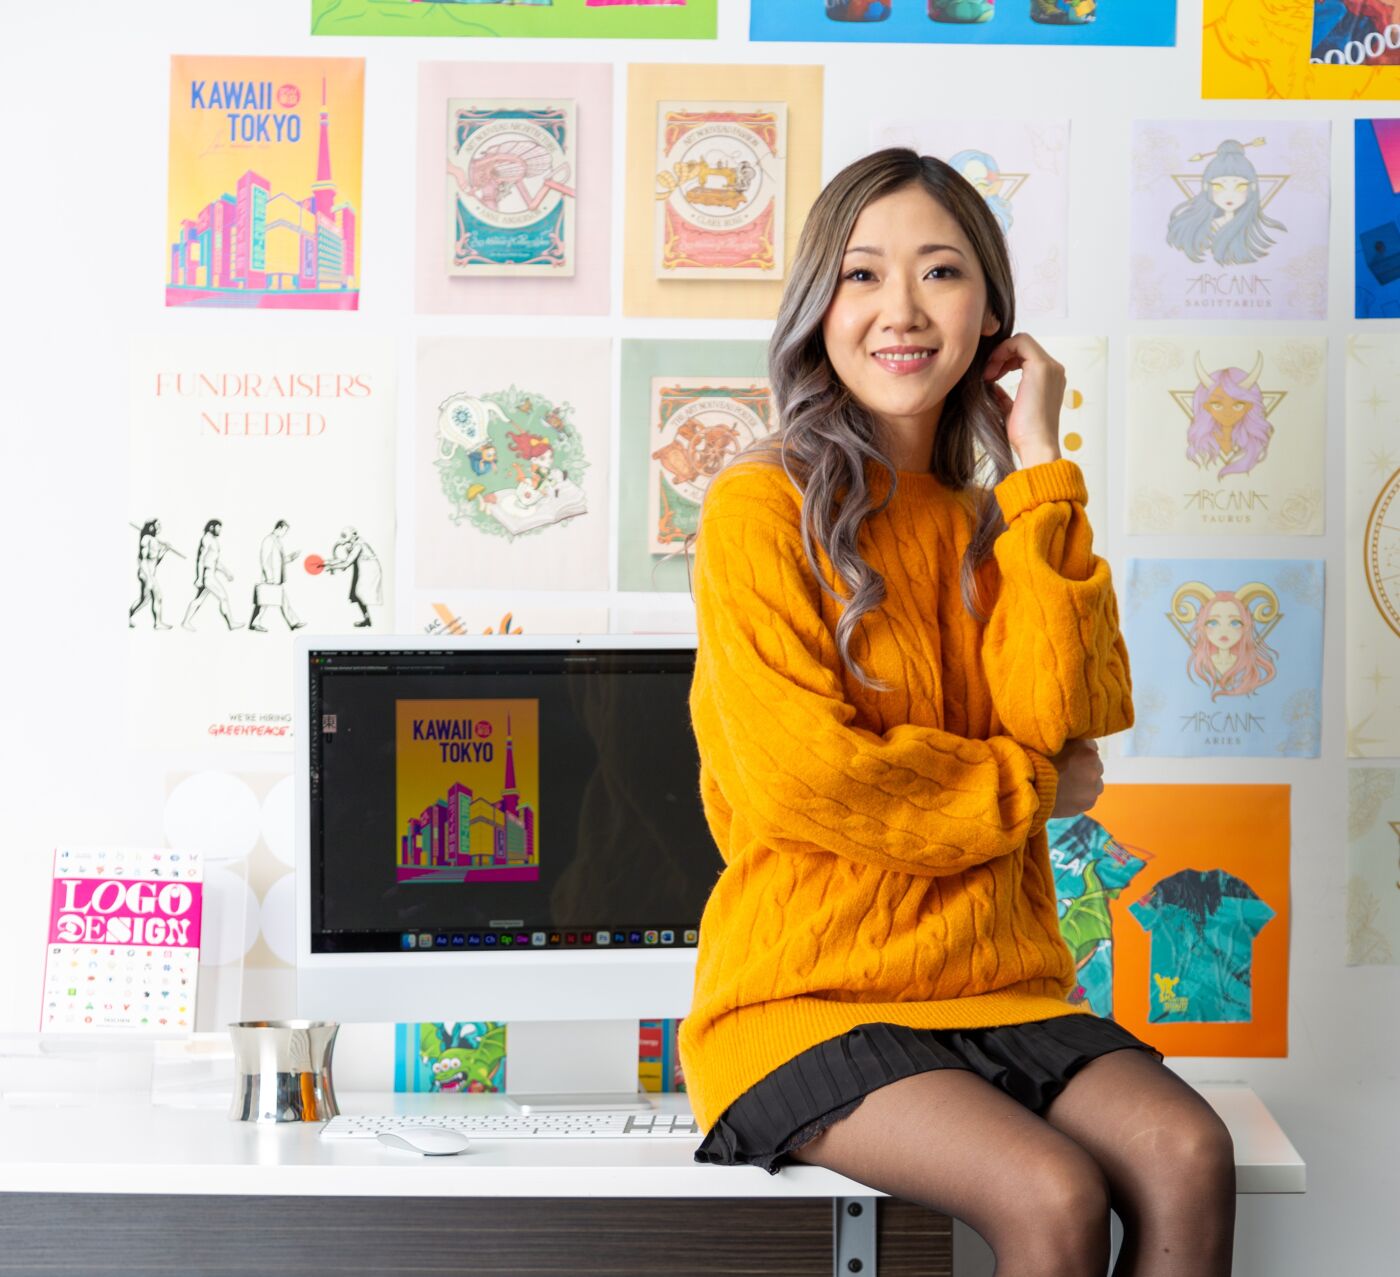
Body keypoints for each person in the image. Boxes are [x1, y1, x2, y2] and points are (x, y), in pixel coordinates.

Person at [678, 148, 1236, 1277]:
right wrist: (1032, 785)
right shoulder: (759, 507)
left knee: (1188, 1150)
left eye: (939, 272)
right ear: (817, 306)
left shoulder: (996, 522)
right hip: (808, 992)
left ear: (989, 313)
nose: (901, 309)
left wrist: (1037, 463)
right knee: (1053, 1192)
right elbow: (808, 778)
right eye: (861, 275)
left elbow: (1072, 714)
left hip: (999, 979)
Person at [181, 519, 243, 631]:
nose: (220, 530)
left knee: (198, 600)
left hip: (209, 574)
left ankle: (185, 622)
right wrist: (199, 578)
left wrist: (226, 572)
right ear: (211, 527)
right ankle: (231, 623)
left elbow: (214, 561)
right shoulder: (207, 539)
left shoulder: (213, 540)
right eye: (218, 528)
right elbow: (201, 559)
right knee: (223, 597)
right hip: (207, 575)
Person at [248, 519, 304, 632]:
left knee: (280, 600)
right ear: (279, 528)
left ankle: (293, 622)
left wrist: (291, 557)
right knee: (263, 602)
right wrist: (269, 576)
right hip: (270, 578)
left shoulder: (277, 541)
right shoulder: (268, 540)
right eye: (285, 530)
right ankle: (255, 623)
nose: (285, 533)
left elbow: (280, 560)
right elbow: (264, 559)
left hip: (276, 578)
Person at [324, 526, 382, 628]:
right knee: (356, 594)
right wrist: (328, 563)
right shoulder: (354, 544)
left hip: (369, 570)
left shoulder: (358, 545)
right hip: (363, 568)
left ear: (353, 535)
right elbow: (346, 560)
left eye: (344, 535)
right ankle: (367, 619)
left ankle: (368, 620)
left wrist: (330, 566)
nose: (342, 538)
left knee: (360, 594)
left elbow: (346, 563)